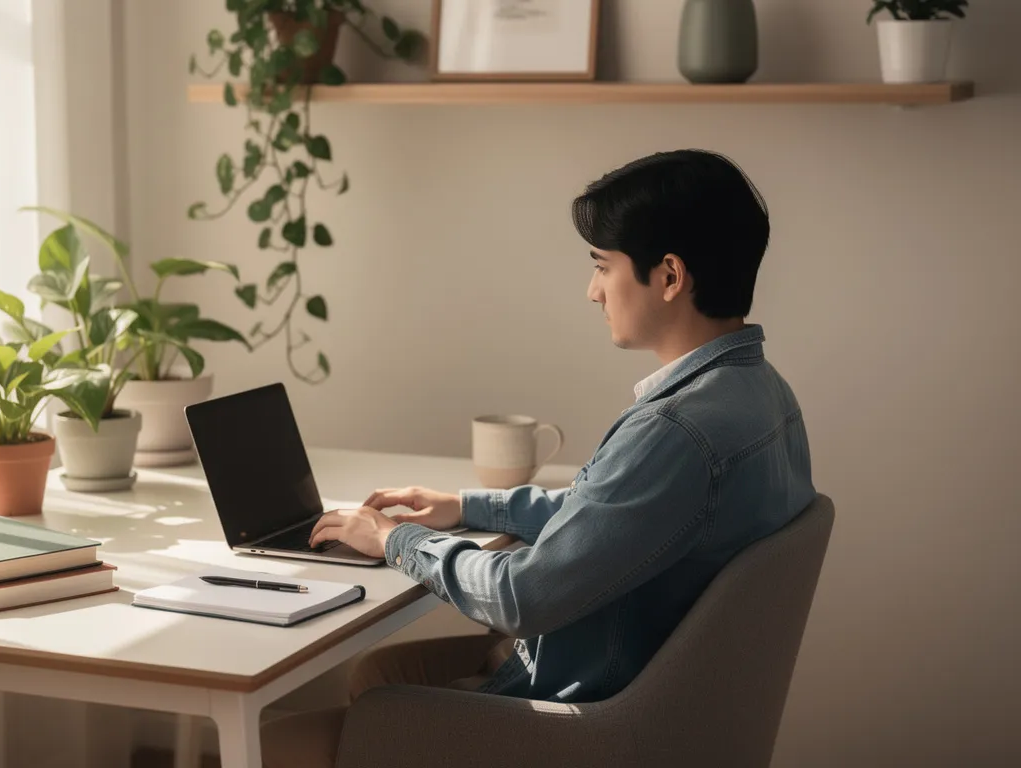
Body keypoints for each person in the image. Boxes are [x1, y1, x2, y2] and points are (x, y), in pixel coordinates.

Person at [261, 149, 816, 768]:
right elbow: (611, 511)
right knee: (379, 671)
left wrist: (396, 539)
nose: (592, 291)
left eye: (603, 267)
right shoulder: (762, 393)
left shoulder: (676, 431)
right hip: (663, 705)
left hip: (587, 725)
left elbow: (521, 597)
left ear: (669, 276)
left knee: (269, 746)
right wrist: (468, 506)